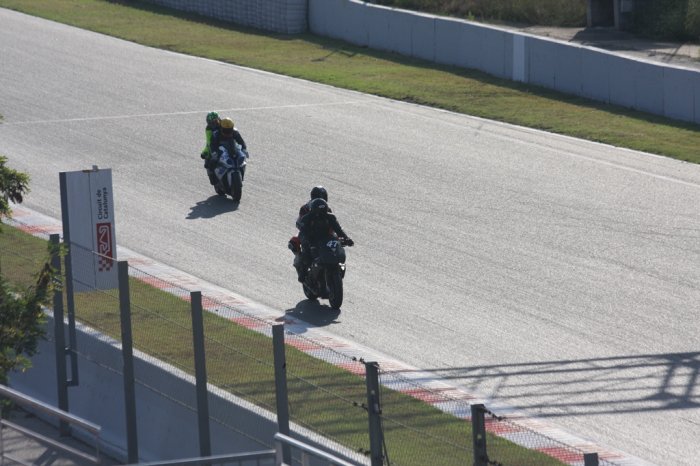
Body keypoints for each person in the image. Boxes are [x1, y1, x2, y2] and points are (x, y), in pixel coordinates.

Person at [295, 197, 353, 283]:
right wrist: (309, 240)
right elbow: (303, 231)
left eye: (323, 212)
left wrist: (346, 238)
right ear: (313, 211)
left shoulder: (330, 217)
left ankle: (337, 266)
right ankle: (303, 273)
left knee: (337, 249)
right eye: (318, 212)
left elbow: (338, 229)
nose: (321, 215)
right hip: (312, 239)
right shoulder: (306, 218)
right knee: (306, 253)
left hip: (327, 239)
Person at [289, 186, 332, 281]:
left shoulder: (327, 208)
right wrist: (307, 230)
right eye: (322, 196)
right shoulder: (305, 208)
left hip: (323, 235)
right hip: (308, 233)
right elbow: (300, 223)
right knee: (306, 247)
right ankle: (303, 270)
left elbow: (332, 223)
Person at [200, 112, 221, 185]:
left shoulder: (223, 123)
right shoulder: (208, 129)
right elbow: (209, 141)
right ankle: (211, 175)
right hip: (214, 145)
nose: (214, 124)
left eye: (215, 121)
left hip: (225, 143)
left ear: (219, 119)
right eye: (211, 123)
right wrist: (209, 152)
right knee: (207, 160)